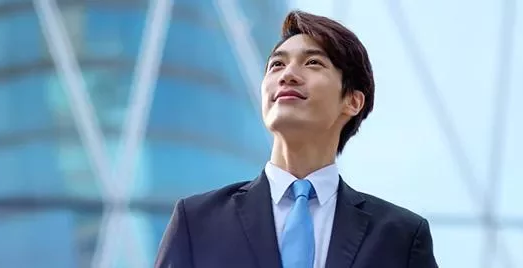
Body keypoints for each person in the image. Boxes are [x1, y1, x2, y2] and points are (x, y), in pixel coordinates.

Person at [154, 10, 438, 268]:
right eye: (276, 65)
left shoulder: (400, 237)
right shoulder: (197, 221)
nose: (288, 74)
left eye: (313, 62)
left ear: (352, 101)